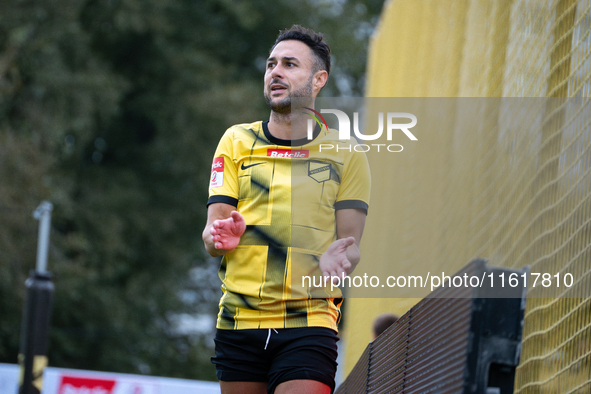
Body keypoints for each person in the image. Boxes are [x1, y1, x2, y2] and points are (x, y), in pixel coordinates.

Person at [202, 25, 370, 394]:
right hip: (239, 321)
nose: (275, 72)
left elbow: (351, 245)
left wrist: (340, 258)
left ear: (318, 78)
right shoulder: (236, 140)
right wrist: (219, 237)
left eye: (290, 64)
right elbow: (211, 236)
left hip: (309, 321)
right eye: (271, 64)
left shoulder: (347, 154)